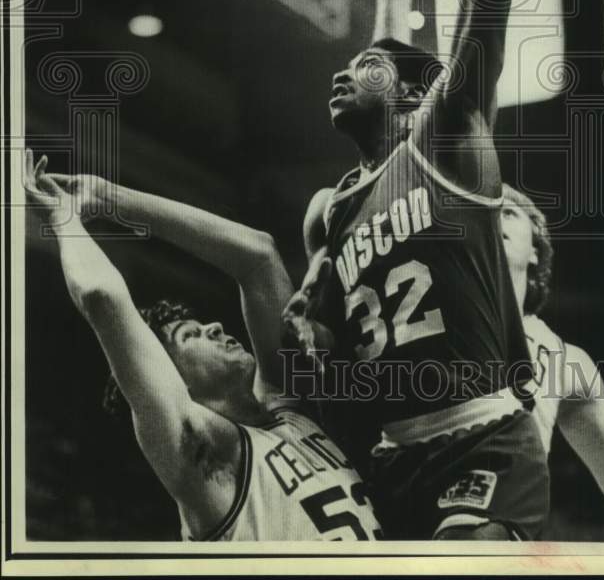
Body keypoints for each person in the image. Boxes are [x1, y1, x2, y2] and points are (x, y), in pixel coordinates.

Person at [286, 0, 587, 541]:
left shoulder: (447, 133)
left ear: (417, 96)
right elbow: (380, 104)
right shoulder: (333, 211)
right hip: (388, 457)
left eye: (366, 68)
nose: (345, 73)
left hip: (483, 440)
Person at [25, 151, 382, 542]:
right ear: (171, 380)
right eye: (190, 336)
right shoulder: (205, 459)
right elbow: (100, 297)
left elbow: (259, 257)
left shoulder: (286, 403)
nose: (213, 326)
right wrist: (63, 220)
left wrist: (108, 197)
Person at [499, 184, 604, 542]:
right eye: (484, 214)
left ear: (535, 252)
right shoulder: (431, 316)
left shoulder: (567, 361)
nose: (494, 219)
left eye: (507, 212)